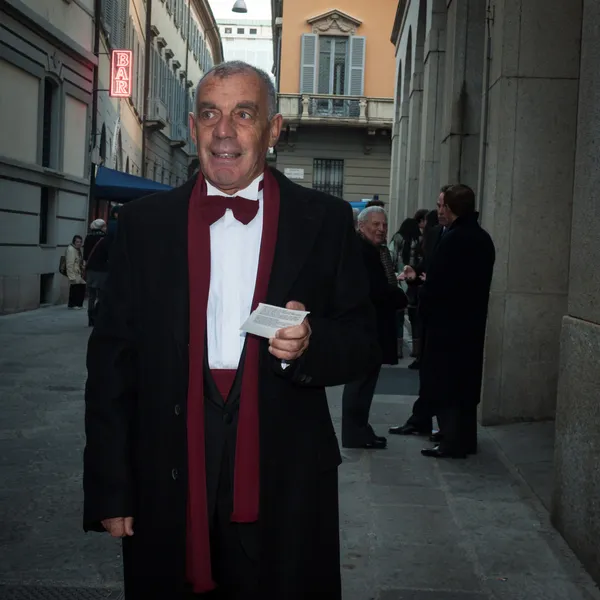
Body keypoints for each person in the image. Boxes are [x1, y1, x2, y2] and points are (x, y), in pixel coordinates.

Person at [83, 61, 379, 600]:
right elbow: (110, 365)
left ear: (273, 129)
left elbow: (363, 339)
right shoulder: (144, 226)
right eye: (211, 114)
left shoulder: (325, 220)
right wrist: (110, 486)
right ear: (194, 126)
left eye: (244, 114)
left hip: (287, 481)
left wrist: (309, 347)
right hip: (166, 478)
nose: (225, 131)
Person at [395, 185, 495, 457]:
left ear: (451, 208)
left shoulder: (456, 238)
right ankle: (462, 439)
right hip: (468, 324)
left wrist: (423, 300)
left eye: (443, 206)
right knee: (462, 384)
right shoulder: (481, 237)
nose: (439, 210)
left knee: (450, 384)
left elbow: (439, 284)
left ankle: (452, 441)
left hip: (449, 326)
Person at [342, 207, 407, 450]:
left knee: (365, 383)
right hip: (362, 329)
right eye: (375, 224)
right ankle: (355, 433)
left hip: (372, 328)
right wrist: (399, 297)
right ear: (361, 226)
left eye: (384, 225)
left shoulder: (374, 251)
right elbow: (375, 291)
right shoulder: (361, 252)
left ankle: (360, 429)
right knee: (359, 383)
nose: (381, 229)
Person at [83, 219, 109, 327]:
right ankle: (99, 316)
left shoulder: (88, 237)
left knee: (91, 295)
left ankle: (90, 318)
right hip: (102, 270)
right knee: (102, 295)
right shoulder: (104, 238)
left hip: (90, 270)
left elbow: (85, 255)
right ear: (101, 227)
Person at [65, 235, 85, 309]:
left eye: (80, 242)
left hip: (78, 272)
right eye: (77, 242)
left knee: (80, 287)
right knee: (75, 289)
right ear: (74, 242)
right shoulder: (71, 250)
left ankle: (78, 304)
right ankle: (73, 304)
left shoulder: (77, 250)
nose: (79, 243)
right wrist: (71, 276)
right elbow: (69, 264)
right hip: (74, 272)